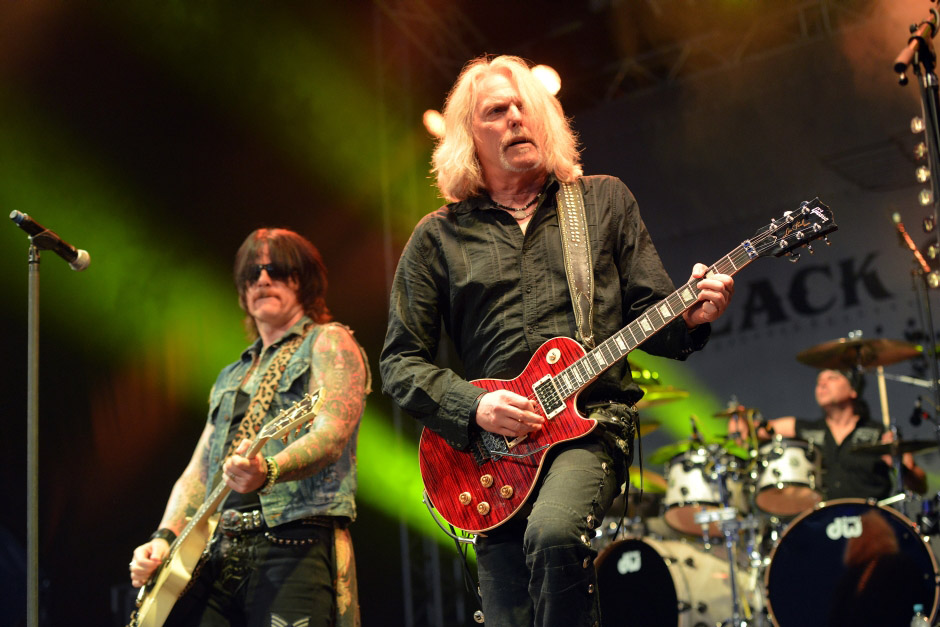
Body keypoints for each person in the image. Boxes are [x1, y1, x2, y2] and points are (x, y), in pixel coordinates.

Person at [379, 55, 734, 625]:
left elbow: (656, 320)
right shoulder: (437, 238)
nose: (516, 117)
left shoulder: (602, 201)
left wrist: (690, 319)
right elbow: (399, 362)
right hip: (491, 456)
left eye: (527, 106)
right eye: (498, 111)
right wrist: (476, 407)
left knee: (553, 534)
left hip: (589, 424)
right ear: (469, 135)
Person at [128, 228, 370, 627]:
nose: (263, 279)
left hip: (293, 542)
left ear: (304, 280)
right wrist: (164, 537)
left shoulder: (328, 341)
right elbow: (199, 471)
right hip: (216, 551)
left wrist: (269, 470)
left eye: (277, 269)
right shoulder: (230, 375)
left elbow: (331, 434)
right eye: (252, 273)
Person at [730, 368, 926, 502]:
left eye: (832, 378)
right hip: (825, 523)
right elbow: (759, 431)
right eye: (819, 381)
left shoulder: (879, 434)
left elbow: (920, 485)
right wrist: (742, 423)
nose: (822, 384)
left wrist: (900, 465)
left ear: (853, 390)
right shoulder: (807, 429)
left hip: (873, 522)